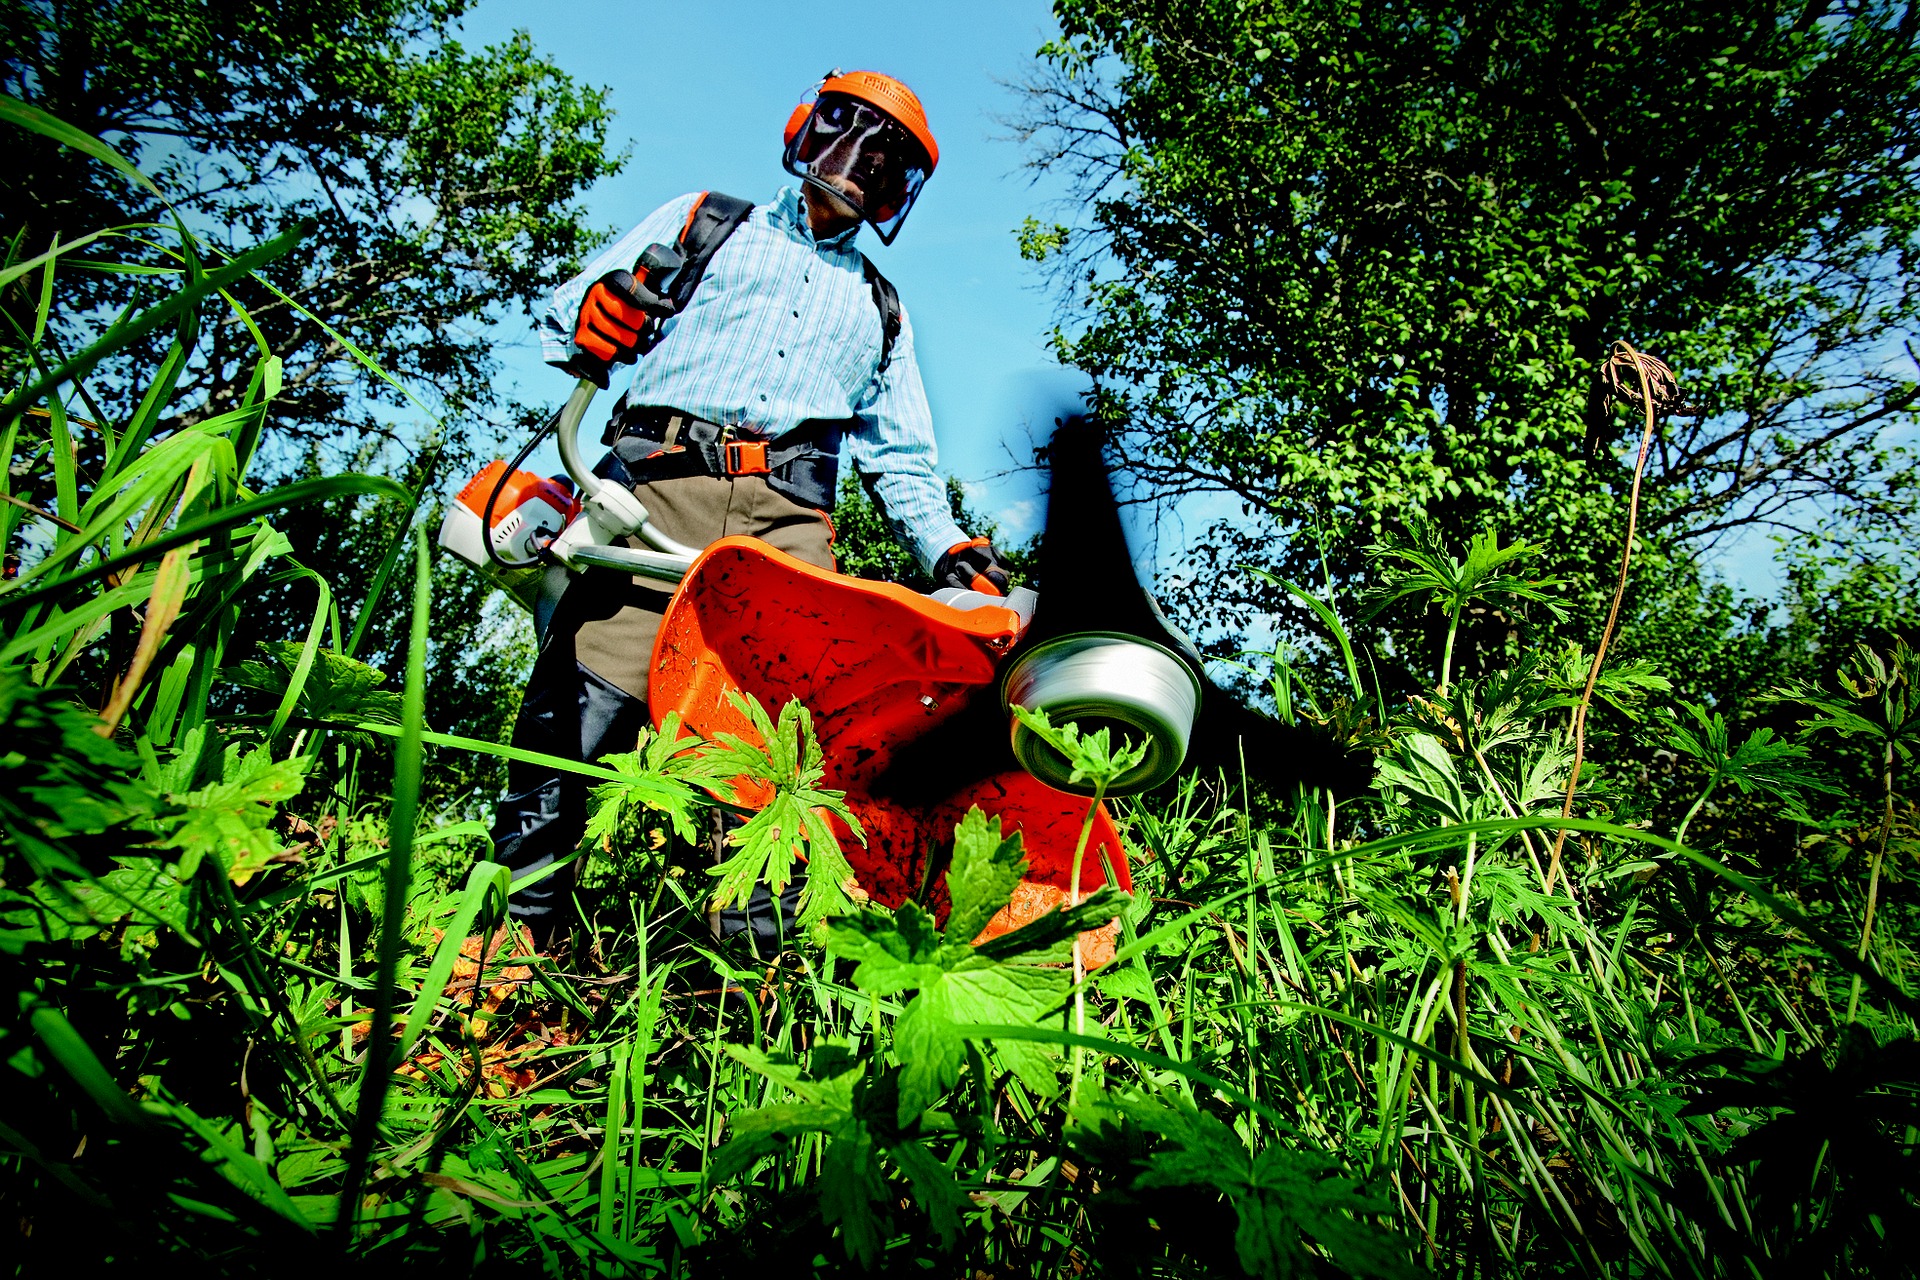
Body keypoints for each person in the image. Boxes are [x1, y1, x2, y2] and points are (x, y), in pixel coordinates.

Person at [487, 70, 1010, 949]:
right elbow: (569, 310)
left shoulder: (882, 308)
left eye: (885, 165)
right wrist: (598, 311)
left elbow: (905, 462)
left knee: (782, 748)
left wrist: (948, 548)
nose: (857, 170)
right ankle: (504, 945)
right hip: (657, 483)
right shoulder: (708, 221)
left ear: (900, 192)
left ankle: (746, 978)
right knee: (582, 706)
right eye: (846, 138)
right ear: (806, 129)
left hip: (787, 524)